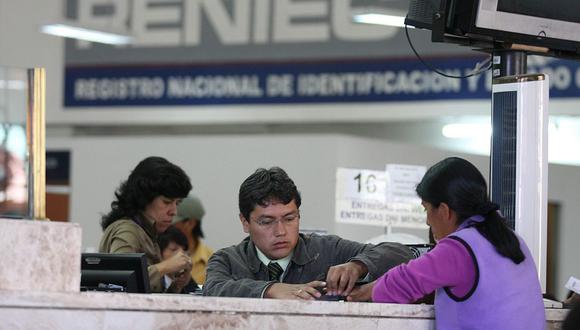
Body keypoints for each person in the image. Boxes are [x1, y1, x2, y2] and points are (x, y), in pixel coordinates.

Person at [348, 157, 545, 329]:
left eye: (426, 210)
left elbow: (406, 280)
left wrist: (360, 292)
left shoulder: (461, 247)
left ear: (443, 210)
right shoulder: (513, 240)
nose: (427, 221)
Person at [203, 166, 413, 299]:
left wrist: (358, 266)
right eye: (266, 222)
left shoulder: (328, 250)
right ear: (245, 222)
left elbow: (402, 255)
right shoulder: (228, 260)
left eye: (289, 218)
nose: (280, 231)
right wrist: (271, 290)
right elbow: (214, 288)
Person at [99, 156, 193, 293]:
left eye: (177, 203)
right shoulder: (127, 231)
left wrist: (178, 284)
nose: (174, 211)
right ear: (144, 199)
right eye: (166, 202)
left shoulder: (148, 233)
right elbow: (120, 282)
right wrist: (165, 267)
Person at [173, 195, 213, 285]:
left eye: (173, 222)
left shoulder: (211, 261)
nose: (168, 225)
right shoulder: (159, 254)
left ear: (190, 223)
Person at [157, 225, 199, 293]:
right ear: (159, 253)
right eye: (174, 250)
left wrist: (180, 284)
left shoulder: (186, 279)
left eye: (184, 250)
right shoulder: (153, 281)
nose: (181, 255)